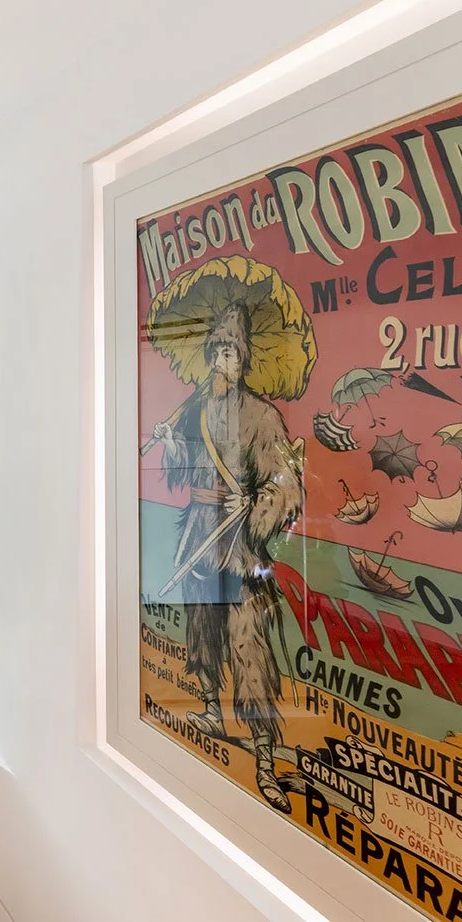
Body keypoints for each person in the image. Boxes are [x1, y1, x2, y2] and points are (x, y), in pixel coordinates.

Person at [151, 301, 303, 813]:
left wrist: (256, 504)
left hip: (238, 544)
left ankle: (263, 755)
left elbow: (286, 485)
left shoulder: (262, 417)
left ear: (244, 361)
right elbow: (186, 472)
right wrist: (172, 443)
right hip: (198, 534)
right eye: (216, 352)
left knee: (248, 642)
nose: (223, 362)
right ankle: (213, 709)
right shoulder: (195, 409)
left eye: (231, 354)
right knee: (202, 627)